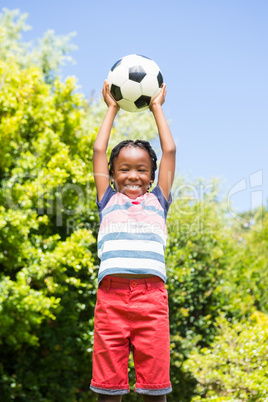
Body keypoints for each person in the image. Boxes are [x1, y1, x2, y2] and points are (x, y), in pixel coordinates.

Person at [90, 80, 176, 402]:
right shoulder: (107, 200)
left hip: (152, 300)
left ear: (153, 177)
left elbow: (169, 151)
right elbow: (99, 150)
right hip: (110, 299)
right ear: (111, 175)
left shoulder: (159, 201)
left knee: (155, 391)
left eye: (142, 169)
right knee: (107, 389)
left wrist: (157, 107)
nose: (133, 175)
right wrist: (112, 107)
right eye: (124, 169)